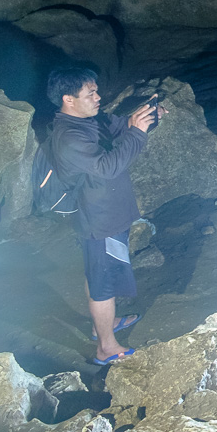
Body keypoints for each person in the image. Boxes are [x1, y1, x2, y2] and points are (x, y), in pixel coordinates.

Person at [47, 67, 162, 366]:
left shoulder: (87, 119)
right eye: (91, 94)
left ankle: (105, 325)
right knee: (103, 281)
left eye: (97, 91)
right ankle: (106, 347)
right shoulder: (69, 137)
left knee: (98, 275)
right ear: (68, 100)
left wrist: (147, 118)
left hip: (107, 213)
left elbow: (121, 127)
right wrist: (137, 132)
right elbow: (109, 167)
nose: (99, 97)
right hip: (99, 220)